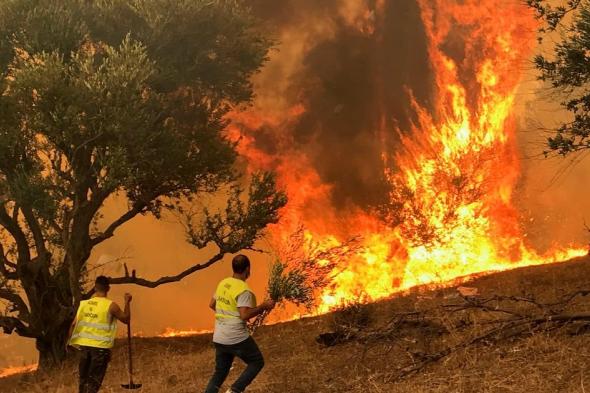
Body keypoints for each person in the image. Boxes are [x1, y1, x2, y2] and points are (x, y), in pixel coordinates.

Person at [204, 254, 276, 393]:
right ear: (247, 269)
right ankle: (235, 390)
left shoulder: (223, 283)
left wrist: (227, 316)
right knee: (257, 362)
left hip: (219, 337)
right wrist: (264, 306)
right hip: (235, 337)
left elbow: (212, 304)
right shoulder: (243, 290)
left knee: (219, 374)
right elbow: (244, 315)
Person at [67, 276, 132, 393]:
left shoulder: (84, 304)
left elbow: (73, 325)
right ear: (108, 288)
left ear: (95, 288)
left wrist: (72, 345)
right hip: (100, 350)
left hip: (84, 349)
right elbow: (126, 319)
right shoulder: (110, 305)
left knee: (83, 383)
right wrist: (127, 302)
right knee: (93, 384)